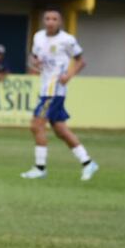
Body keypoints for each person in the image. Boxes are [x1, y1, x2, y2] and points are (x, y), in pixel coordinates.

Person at [21, 9, 97, 181]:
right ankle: (87, 162)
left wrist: (68, 76)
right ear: (43, 21)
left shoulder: (67, 40)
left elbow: (80, 61)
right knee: (61, 130)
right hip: (45, 88)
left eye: (54, 19)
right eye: (47, 18)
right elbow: (35, 58)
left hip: (54, 91)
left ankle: (40, 168)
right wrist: (36, 63)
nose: (50, 21)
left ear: (60, 22)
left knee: (36, 125)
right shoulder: (38, 37)